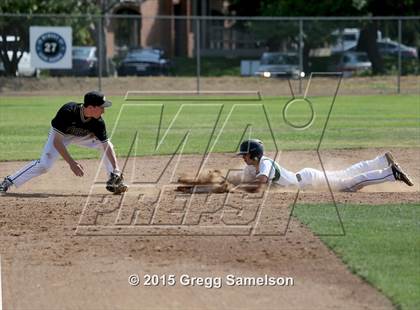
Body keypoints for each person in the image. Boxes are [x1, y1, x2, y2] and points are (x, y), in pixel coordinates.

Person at [0, 91, 127, 195]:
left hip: (82, 136)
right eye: (101, 107)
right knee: (45, 165)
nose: (103, 111)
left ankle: (114, 178)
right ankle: (8, 182)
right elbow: (57, 141)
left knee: (106, 144)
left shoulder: (98, 121)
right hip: (61, 136)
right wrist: (71, 163)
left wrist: (116, 167)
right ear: (90, 107)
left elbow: (105, 145)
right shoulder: (68, 111)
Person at [236, 139, 414, 192]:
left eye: (244, 154)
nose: (242, 157)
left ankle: (390, 173)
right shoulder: (252, 167)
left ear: (253, 154)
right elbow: (242, 177)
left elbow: (261, 182)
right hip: (306, 176)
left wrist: (236, 189)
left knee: (349, 184)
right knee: (344, 173)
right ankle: (380, 161)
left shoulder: (265, 163)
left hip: (309, 182)